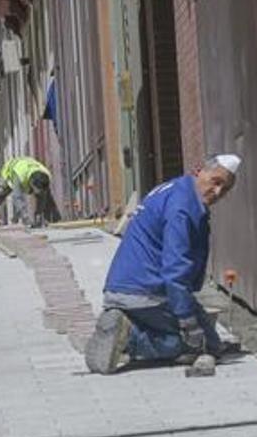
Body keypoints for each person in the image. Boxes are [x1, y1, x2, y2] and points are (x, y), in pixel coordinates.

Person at [84, 154, 242, 374]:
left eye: (224, 190)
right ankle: (130, 338)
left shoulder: (174, 189)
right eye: (216, 182)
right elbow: (175, 268)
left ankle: (123, 326)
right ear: (199, 171)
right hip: (147, 291)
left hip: (124, 286)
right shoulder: (182, 209)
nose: (217, 193)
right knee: (200, 344)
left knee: (208, 337)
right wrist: (187, 320)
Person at [0, 156, 61, 229]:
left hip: (28, 168)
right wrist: (26, 219)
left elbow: (42, 199)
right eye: (36, 190)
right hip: (10, 173)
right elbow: (17, 198)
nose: (37, 193)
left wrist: (38, 216)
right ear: (31, 183)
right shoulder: (19, 176)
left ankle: (53, 219)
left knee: (47, 198)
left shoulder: (46, 176)